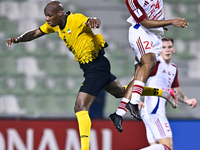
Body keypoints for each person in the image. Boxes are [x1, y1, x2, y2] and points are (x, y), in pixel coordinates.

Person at [5, 1, 177, 149]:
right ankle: (163, 92)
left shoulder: (75, 19)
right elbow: (35, 33)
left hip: (96, 67)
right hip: (91, 68)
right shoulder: (54, 25)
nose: (47, 19)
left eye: (49, 15)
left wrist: (94, 21)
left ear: (60, 13)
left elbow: (91, 20)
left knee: (80, 106)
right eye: (46, 16)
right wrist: (18, 39)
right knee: (121, 92)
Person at [109, 0, 189, 126]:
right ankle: (133, 102)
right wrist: (171, 21)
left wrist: (160, 23)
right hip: (140, 32)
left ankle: (119, 113)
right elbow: (144, 22)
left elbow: (154, 10)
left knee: (139, 75)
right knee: (150, 62)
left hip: (155, 35)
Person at [139, 37, 197, 150]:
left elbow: (176, 90)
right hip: (154, 112)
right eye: (163, 47)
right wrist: (136, 99)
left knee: (158, 147)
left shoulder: (173, 68)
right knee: (167, 147)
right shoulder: (155, 64)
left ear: (173, 49)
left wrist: (187, 100)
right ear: (159, 50)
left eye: (169, 47)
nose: (167, 50)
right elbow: (135, 80)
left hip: (152, 112)